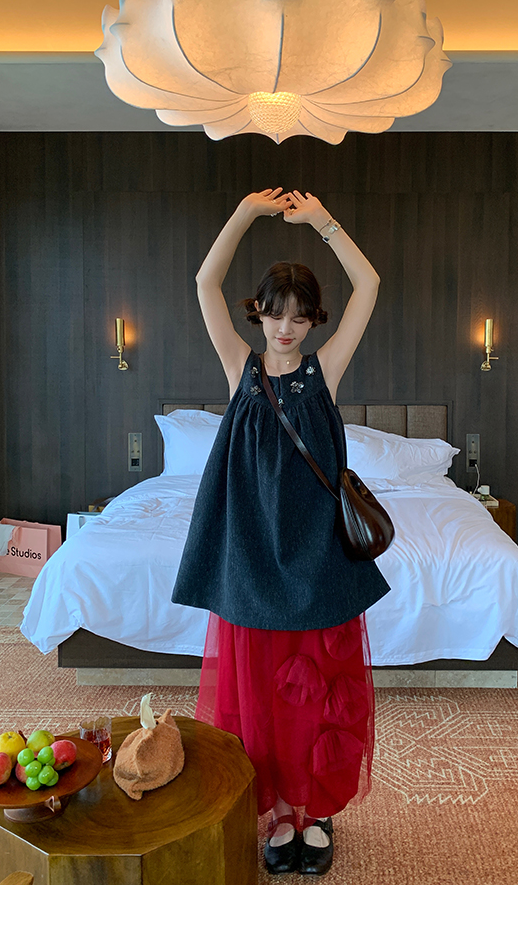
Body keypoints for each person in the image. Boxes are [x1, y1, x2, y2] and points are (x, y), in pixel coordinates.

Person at [171, 187, 390, 876]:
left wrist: (323, 222)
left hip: (317, 556)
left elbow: (369, 284)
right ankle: (277, 811)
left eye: (299, 316)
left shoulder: (326, 372)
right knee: (260, 694)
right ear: (259, 313)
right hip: (249, 555)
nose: (286, 328)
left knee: (319, 691)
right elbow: (205, 282)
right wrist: (245, 211)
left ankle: (315, 809)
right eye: (275, 313)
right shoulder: (240, 370)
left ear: (314, 320)